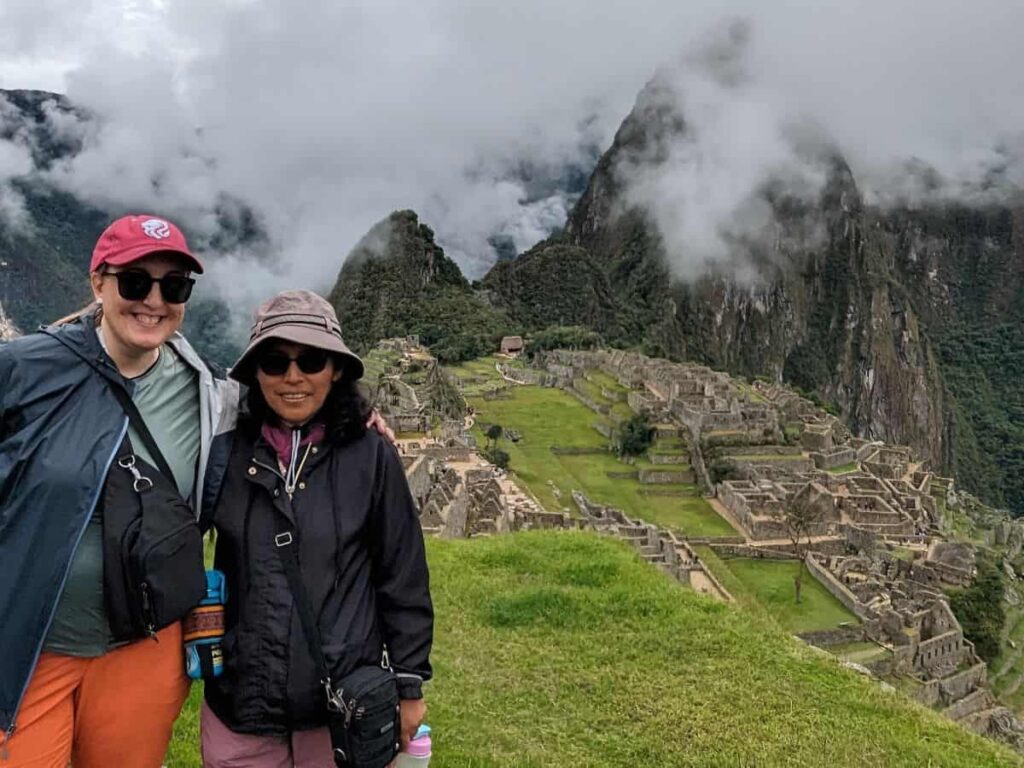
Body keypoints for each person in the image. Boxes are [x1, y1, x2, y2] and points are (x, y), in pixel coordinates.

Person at [0, 215, 396, 768]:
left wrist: (357, 413)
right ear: (98, 283)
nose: (153, 301)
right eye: (135, 282)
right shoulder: (26, 369)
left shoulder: (211, 395)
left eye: (174, 286)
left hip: (145, 643)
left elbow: (286, 395)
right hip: (34, 641)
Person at [201, 290, 433, 768]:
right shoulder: (225, 449)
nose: (293, 377)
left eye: (311, 361)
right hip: (243, 699)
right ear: (254, 373)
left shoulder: (370, 456)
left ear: (337, 370)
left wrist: (409, 684)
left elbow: (402, 573)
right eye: (274, 362)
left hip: (339, 707)